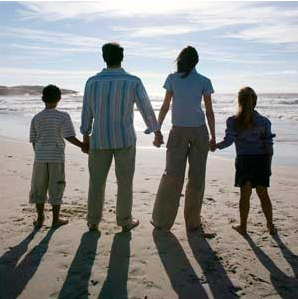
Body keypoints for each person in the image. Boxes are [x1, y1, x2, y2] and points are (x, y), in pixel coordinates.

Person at [81, 42, 162, 232]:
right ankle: (124, 221)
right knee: (125, 182)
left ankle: (93, 221)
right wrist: (156, 131)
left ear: (104, 57)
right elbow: (146, 107)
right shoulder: (132, 81)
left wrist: (85, 134)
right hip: (124, 139)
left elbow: (87, 110)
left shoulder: (92, 82)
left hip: (99, 139)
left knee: (96, 181)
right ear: (122, 57)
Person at [151, 46, 216, 231]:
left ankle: (162, 221)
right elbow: (209, 112)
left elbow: (164, 107)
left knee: (172, 176)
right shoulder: (204, 80)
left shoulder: (172, 79)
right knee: (197, 178)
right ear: (196, 61)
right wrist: (213, 136)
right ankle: (193, 222)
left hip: (178, 131)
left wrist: (157, 130)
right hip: (199, 131)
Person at [213, 86, 276, 235]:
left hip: (244, 161)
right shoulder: (264, 121)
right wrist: (269, 165)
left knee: (245, 196)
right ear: (255, 102)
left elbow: (228, 141)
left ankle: (243, 227)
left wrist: (215, 146)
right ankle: (270, 226)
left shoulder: (233, 121)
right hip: (261, 161)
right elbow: (269, 148)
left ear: (239, 102)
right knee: (263, 195)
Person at [29, 85, 84, 228]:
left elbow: (34, 140)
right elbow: (69, 136)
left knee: (39, 187)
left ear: (42, 99)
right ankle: (55, 220)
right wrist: (83, 146)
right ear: (60, 99)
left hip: (40, 157)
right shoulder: (63, 116)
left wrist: (40, 154)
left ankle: (40, 218)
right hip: (56, 157)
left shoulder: (36, 118)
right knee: (56, 186)